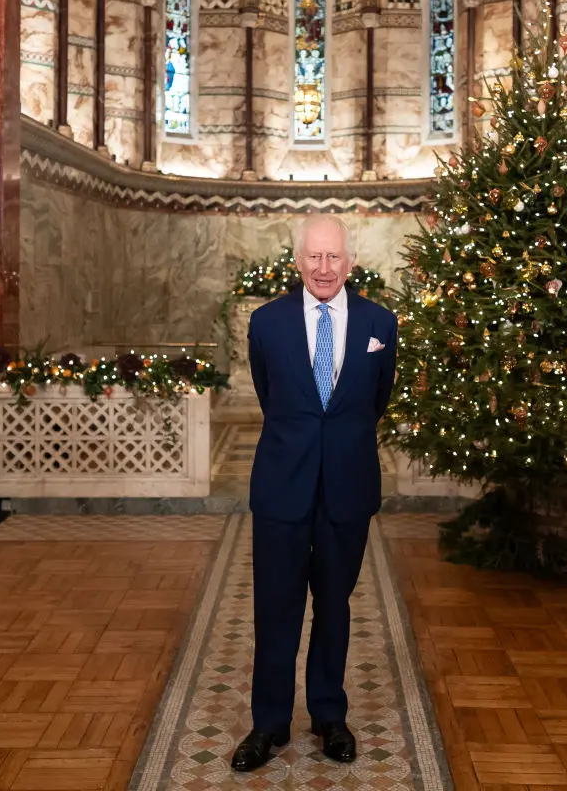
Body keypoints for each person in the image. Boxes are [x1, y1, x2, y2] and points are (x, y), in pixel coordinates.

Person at [231, 214, 398, 772]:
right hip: (282, 487)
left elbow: (376, 400)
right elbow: (269, 393)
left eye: (334, 258)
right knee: (275, 608)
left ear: (350, 262)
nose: (324, 268)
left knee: (334, 605)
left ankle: (329, 715)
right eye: (314, 257)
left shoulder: (381, 322)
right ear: (297, 259)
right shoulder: (267, 324)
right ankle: (268, 723)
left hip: (347, 488)